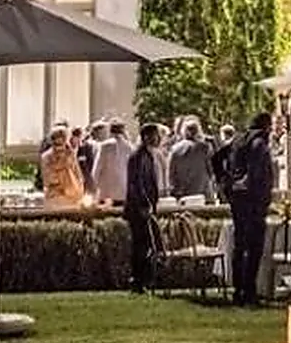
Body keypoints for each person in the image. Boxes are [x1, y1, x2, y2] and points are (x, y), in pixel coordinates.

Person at [228, 112, 275, 306]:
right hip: (254, 202)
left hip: (238, 202)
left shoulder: (238, 141)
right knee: (254, 248)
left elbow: (220, 160)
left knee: (239, 246)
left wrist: (231, 185)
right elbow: (256, 173)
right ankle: (249, 290)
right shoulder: (259, 145)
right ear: (266, 126)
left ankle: (238, 289)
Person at [124, 123, 163, 294]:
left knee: (145, 244)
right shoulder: (139, 156)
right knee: (141, 244)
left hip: (144, 206)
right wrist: (144, 204)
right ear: (147, 136)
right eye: (156, 135)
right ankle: (138, 280)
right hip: (139, 208)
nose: (158, 138)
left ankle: (143, 279)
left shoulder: (146, 155)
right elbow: (137, 184)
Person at [40, 126, 85, 208]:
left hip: (73, 196)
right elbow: (48, 179)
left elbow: (78, 173)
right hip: (55, 196)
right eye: (57, 144)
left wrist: (79, 185)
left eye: (62, 142)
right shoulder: (47, 157)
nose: (60, 148)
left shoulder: (70, 154)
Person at [168, 119, 215, 199]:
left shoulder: (175, 149)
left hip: (181, 190)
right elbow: (211, 169)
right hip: (202, 190)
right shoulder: (205, 148)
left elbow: (171, 171)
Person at [92, 120, 131, 205]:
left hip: (107, 189)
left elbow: (98, 166)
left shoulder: (105, 146)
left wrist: (94, 184)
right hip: (123, 188)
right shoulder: (129, 146)